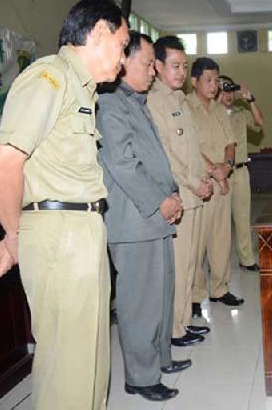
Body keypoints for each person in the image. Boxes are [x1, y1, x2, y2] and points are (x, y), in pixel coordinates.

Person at [0, 0, 128, 410]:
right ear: (100, 32)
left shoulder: (82, 89)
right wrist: (14, 236)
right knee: (66, 366)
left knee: (90, 359)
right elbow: (6, 160)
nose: (123, 59)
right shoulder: (49, 78)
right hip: (57, 233)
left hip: (84, 229)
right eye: (123, 46)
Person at [97, 31, 191, 402]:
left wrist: (171, 194)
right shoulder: (110, 104)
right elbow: (123, 163)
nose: (153, 70)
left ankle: (160, 359)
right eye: (147, 62)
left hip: (154, 215)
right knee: (139, 303)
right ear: (124, 62)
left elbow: (155, 159)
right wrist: (160, 200)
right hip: (134, 219)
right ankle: (139, 375)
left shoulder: (135, 102)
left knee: (161, 295)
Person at [147, 36, 213, 347]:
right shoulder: (154, 101)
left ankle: (184, 322)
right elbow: (167, 157)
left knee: (191, 266)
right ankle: (173, 329)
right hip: (180, 197)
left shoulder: (180, 100)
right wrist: (193, 182)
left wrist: (205, 177)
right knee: (179, 266)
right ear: (157, 66)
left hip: (196, 195)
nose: (181, 72)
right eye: (175, 66)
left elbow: (191, 148)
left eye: (185, 66)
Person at [188, 58, 245, 311]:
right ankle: (194, 296)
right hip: (199, 186)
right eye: (208, 81)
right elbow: (186, 148)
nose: (214, 86)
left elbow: (230, 143)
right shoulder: (185, 108)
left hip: (222, 183)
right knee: (196, 244)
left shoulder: (220, 110)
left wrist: (227, 167)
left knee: (222, 239)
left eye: (216, 81)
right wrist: (214, 170)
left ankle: (219, 289)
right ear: (195, 82)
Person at [217, 74, 264, 271]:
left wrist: (250, 100)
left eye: (230, 91)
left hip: (241, 170)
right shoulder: (210, 114)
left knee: (243, 217)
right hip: (220, 173)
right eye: (223, 90)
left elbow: (259, 123)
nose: (228, 95)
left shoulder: (240, 113)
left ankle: (246, 259)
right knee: (220, 221)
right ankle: (218, 261)